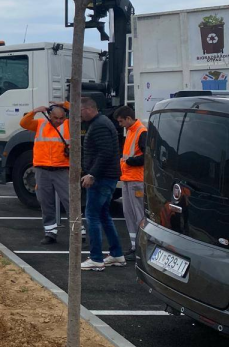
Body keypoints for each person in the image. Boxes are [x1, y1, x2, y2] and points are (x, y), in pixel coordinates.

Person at [79, 97, 125, 270]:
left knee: (92, 215)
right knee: (104, 215)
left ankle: (96, 258)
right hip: (107, 177)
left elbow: (105, 153)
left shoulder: (99, 125)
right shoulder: (102, 123)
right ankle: (116, 254)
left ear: (88, 109)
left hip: (102, 178)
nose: (79, 115)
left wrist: (92, 174)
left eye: (80, 111)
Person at [19, 101, 73, 245]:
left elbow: (79, 114)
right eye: (56, 118)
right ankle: (50, 232)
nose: (59, 121)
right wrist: (35, 110)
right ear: (49, 116)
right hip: (42, 169)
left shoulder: (69, 124)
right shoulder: (40, 124)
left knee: (70, 201)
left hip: (61, 169)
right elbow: (24, 123)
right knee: (45, 201)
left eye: (62, 118)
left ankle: (78, 231)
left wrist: (65, 104)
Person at [114, 105, 147, 261]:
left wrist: (129, 162)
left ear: (128, 118)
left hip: (136, 179)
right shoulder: (132, 131)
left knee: (138, 214)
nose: (120, 125)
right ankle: (135, 246)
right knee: (129, 213)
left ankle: (141, 247)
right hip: (129, 178)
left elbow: (147, 156)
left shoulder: (141, 132)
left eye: (121, 121)